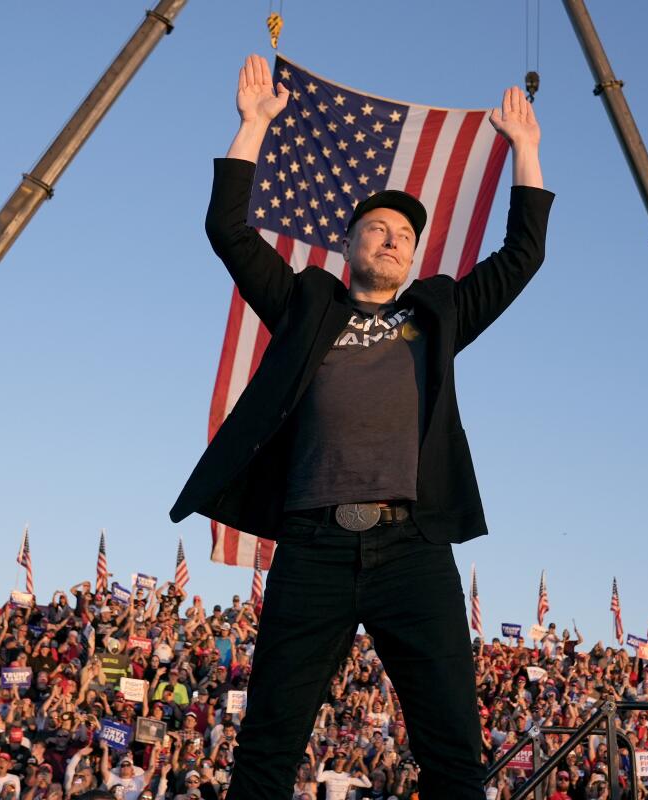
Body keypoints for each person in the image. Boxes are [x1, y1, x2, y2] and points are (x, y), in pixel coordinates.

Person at [167, 54, 550, 798]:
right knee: (268, 748)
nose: (392, 237)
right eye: (376, 228)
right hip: (313, 548)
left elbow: (522, 256)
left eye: (405, 232)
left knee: (452, 752)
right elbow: (229, 231)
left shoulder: (436, 314)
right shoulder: (310, 306)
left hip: (413, 548)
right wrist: (252, 127)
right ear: (348, 248)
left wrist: (524, 150)